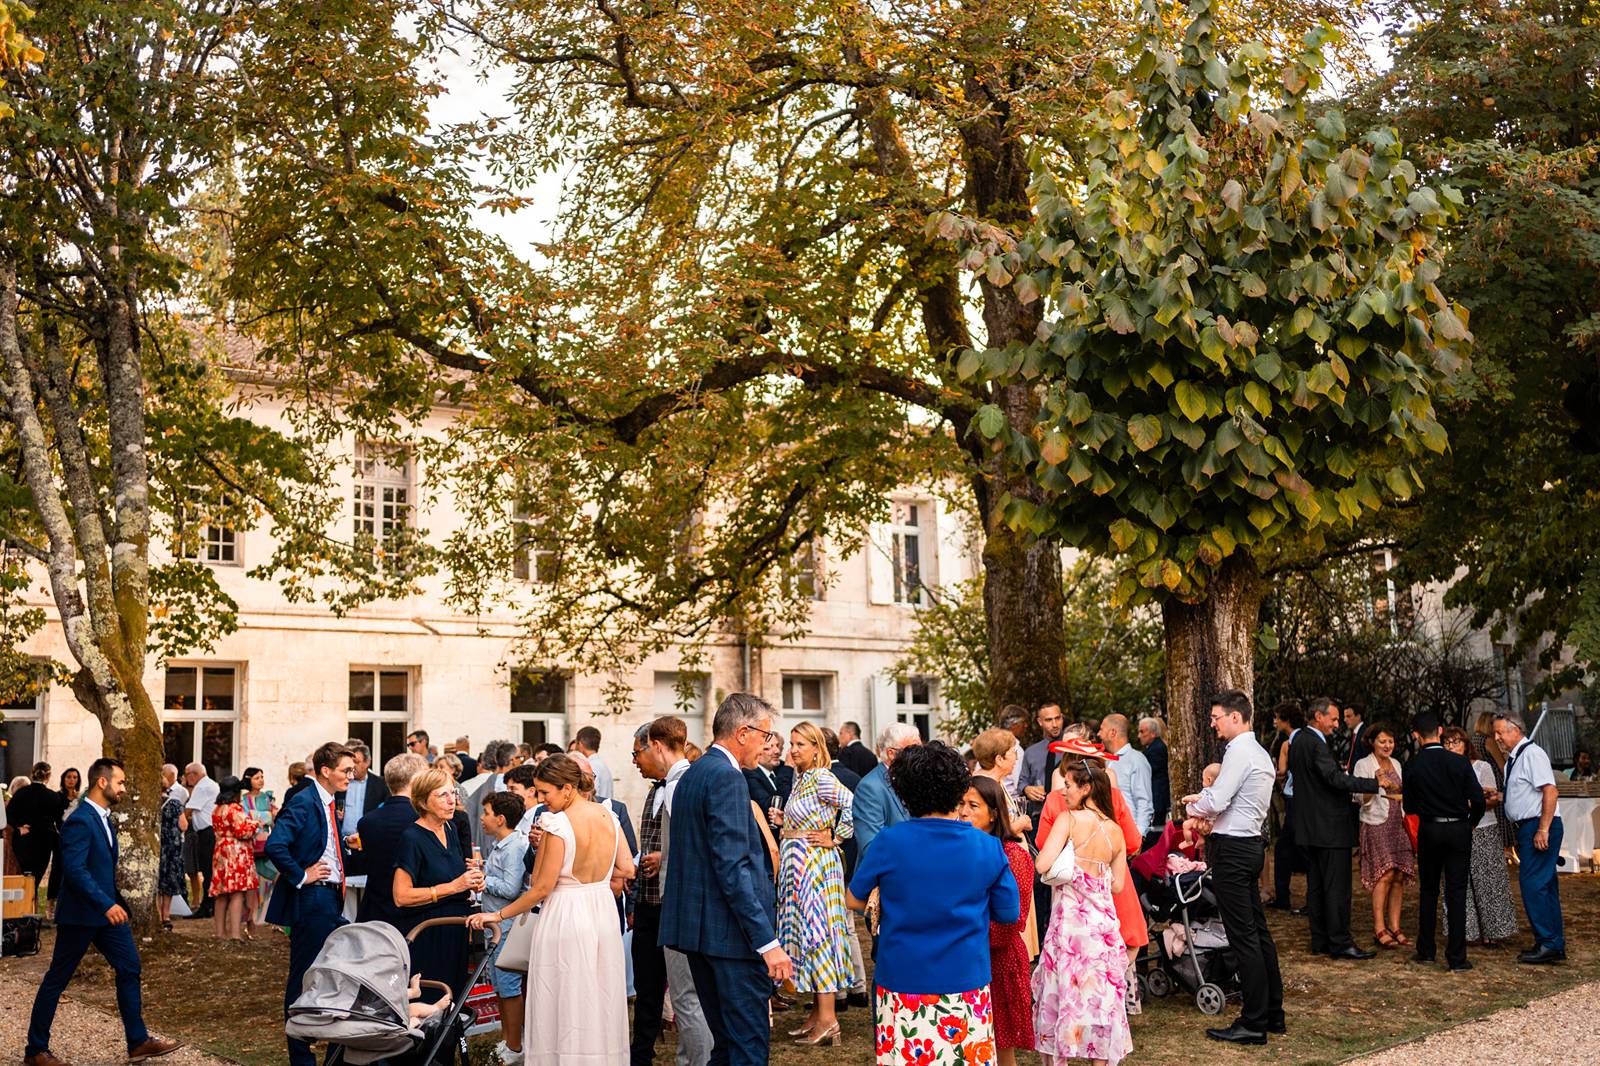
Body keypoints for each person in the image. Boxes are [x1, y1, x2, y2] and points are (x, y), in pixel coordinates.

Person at [846, 742, 1018, 1066]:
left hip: (901, 978)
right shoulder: (988, 846)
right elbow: (1008, 913)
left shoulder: (889, 842)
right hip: (966, 980)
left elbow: (854, 898)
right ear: (957, 789)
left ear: (904, 792)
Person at [470, 754, 635, 1066]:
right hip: (601, 913)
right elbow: (627, 867)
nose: (541, 799)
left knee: (562, 997)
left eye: (545, 792)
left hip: (565, 914)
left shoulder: (555, 824)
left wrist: (499, 915)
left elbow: (541, 887)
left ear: (568, 788)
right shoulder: (609, 817)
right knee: (598, 994)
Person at [659, 694, 794, 1066]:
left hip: (701, 935)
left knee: (726, 1047)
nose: (768, 744)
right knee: (747, 1047)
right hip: (730, 938)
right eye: (765, 735)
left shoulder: (693, 773)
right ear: (743, 732)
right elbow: (732, 868)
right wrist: (767, 942)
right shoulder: (726, 777)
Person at [24, 758, 183, 1066]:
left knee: (130, 967)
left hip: (108, 915)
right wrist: (105, 903)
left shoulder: (105, 819)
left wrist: (114, 903)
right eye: (120, 782)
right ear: (102, 782)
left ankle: (138, 1042)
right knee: (57, 979)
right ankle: (35, 1051)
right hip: (82, 915)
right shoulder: (81, 820)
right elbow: (75, 870)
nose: (123, 787)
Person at [1181, 690, 1284, 1045]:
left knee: (1244, 938)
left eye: (1216, 717)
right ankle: (1273, 1012)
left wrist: (1194, 807)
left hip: (1234, 851)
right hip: (1250, 845)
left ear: (1236, 717)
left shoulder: (1240, 751)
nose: (1212, 724)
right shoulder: (1258, 752)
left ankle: (1254, 1022)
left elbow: (1218, 799)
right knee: (1257, 932)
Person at [1032, 759, 1132, 1066]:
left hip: (1070, 926)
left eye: (1069, 785)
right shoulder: (1115, 831)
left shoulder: (1069, 820)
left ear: (1086, 788)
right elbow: (1117, 886)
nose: (1063, 791)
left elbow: (1041, 865)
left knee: (1059, 996)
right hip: (1101, 928)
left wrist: (1071, 867)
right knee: (1098, 1002)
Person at [265, 741, 356, 1066]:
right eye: (346, 770)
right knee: (304, 975)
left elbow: (319, 842)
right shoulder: (305, 800)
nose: (352, 774)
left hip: (330, 897)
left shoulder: (328, 801)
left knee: (334, 970)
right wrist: (302, 875)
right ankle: (301, 1056)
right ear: (326, 771)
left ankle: (335, 1047)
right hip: (313, 898)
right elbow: (276, 844)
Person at [773, 722, 855, 1045]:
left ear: (817, 748)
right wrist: (785, 821)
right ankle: (817, 1014)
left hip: (816, 867)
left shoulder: (821, 777)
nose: (793, 750)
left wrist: (836, 837)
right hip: (798, 867)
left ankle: (829, 1020)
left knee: (819, 936)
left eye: (800, 745)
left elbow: (852, 805)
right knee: (805, 935)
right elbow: (808, 815)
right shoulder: (801, 779)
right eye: (791, 743)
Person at [1287, 696, 1383, 959]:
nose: (1336, 723)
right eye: (1333, 718)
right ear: (1319, 716)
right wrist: (1372, 784)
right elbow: (1332, 778)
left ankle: (1321, 940)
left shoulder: (1299, 741)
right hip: (1329, 827)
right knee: (1337, 888)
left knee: (1317, 886)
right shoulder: (1315, 743)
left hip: (1310, 827)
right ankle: (1340, 942)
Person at [645, 716, 714, 1066]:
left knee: (686, 994)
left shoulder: (677, 785)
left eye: (644, 749)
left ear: (658, 746)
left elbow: (688, 850)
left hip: (681, 902)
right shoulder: (697, 777)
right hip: (695, 902)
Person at [957, 776, 1033, 1066]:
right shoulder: (959, 851)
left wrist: (962, 935)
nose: (963, 811)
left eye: (973, 805)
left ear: (993, 814)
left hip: (997, 960)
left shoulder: (1013, 855)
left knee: (999, 1047)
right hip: (963, 956)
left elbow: (1013, 920)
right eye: (961, 804)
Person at [393, 767, 485, 1005]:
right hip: (427, 930)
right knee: (432, 998)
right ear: (423, 801)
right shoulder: (411, 838)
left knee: (453, 996)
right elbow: (401, 896)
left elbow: (452, 874)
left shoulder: (450, 828)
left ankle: (450, 1041)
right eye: (442, 795)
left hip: (455, 928)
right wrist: (454, 886)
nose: (452, 800)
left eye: (453, 793)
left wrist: (473, 879)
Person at [1402, 712, 1485, 972]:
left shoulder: (1412, 765)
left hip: (1430, 828)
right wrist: (1470, 822)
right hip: (1459, 828)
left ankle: (1426, 950)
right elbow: (1479, 800)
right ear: (1439, 730)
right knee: (1457, 891)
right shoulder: (1459, 763)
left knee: (1428, 890)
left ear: (1416, 735)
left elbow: (1410, 805)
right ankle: (1457, 958)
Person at [1494, 712, 1566, 964]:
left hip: (1538, 825)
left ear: (1515, 730)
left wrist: (1543, 829)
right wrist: (1500, 796)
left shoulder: (1532, 754)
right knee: (1544, 886)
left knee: (1533, 885)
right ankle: (1552, 943)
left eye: (1500, 732)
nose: (1497, 737)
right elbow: (1525, 793)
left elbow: (1550, 790)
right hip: (1529, 825)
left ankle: (1548, 942)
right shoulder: (1515, 759)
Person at [1440, 727, 1518, 947]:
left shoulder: (1480, 766)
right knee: (1459, 882)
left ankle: (1493, 930)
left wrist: (1472, 802)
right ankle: (1466, 931)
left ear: (1465, 744)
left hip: (1483, 828)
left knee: (1488, 880)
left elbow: (1493, 798)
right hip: (1454, 830)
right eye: (1446, 743)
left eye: (1455, 742)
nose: (1451, 747)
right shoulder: (1441, 769)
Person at [1354, 724, 1415, 949]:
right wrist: (1375, 782)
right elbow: (1361, 799)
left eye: (1390, 741)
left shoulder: (1397, 764)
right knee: (1385, 874)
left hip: (1398, 823)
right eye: (1382, 741)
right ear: (1372, 742)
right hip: (1376, 823)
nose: (1387, 745)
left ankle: (1395, 926)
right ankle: (1379, 928)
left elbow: (1402, 793)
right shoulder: (1364, 764)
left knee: (1399, 874)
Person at [480, 790, 529, 1066]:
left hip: (508, 927)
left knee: (509, 987)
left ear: (500, 819)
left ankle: (515, 1045)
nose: (482, 818)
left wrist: (483, 881)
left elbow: (511, 888)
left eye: (486, 813)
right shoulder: (501, 845)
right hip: (495, 926)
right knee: (499, 986)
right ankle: (508, 1039)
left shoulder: (514, 847)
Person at [356, 752, 430, 926]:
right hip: (416, 912)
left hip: (375, 911)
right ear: (416, 781)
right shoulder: (425, 820)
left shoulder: (367, 822)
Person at [339, 741, 391, 920]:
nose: (353, 767)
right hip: (344, 844)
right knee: (345, 892)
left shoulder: (380, 785)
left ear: (367, 762)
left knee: (367, 891)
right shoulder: (342, 783)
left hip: (367, 846)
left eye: (357, 762)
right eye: (351, 762)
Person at [854, 723, 920, 859]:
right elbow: (871, 847)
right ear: (891, 754)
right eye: (913, 750)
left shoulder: (917, 778)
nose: (921, 756)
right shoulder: (870, 787)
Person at [209, 776, 261, 941]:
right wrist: (255, 824)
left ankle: (219, 933)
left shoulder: (217, 809)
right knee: (237, 893)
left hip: (220, 851)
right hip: (235, 853)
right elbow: (242, 832)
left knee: (222, 893)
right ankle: (235, 934)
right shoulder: (235, 809)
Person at [1268, 701, 1306, 911]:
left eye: (1276, 718)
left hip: (1296, 801)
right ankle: (1284, 897)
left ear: (1285, 719)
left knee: (1285, 849)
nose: (1274, 722)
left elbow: (1282, 772)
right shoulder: (1305, 738)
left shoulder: (1289, 744)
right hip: (1299, 801)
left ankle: (1284, 897)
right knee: (1291, 848)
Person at [970, 727, 1033, 838]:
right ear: (999, 759)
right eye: (1013, 752)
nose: (1016, 759)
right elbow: (991, 835)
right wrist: (1021, 823)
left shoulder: (996, 780)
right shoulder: (981, 787)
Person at [1099, 714, 1153, 838]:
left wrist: (1139, 835)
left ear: (1112, 733)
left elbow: (1144, 801)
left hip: (1128, 834)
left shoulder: (1136, 760)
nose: (1098, 734)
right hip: (1109, 834)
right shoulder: (1107, 760)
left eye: (1101, 729)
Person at [6, 761, 59, 885]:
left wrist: (18, 827)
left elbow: (9, 814)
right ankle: (31, 901)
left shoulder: (20, 793)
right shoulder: (53, 796)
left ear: (32, 774)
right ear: (48, 776)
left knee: (25, 876)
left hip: (23, 839)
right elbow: (57, 819)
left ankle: (26, 902)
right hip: (44, 841)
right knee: (36, 877)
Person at [183, 762, 221, 919]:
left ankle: (207, 906)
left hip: (207, 833)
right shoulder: (211, 784)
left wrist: (179, 821)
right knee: (208, 870)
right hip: (209, 832)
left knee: (207, 870)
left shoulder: (201, 786)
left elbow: (189, 810)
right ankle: (210, 904)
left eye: (186, 775)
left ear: (194, 774)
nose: (186, 779)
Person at [157, 770, 187, 932]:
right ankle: (165, 915)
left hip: (156, 847)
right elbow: (184, 825)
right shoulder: (174, 803)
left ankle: (155, 913)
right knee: (168, 880)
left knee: (156, 880)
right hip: (171, 848)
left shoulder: (150, 804)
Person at [744, 730, 795, 823]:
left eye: (777, 745)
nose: (777, 751)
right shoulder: (749, 774)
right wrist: (788, 768)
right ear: (756, 751)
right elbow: (769, 807)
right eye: (767, 748)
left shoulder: (777, 770)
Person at [1137, 718, 1169, 845]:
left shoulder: (1156, 749)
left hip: (1157, 799)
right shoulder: (1154, 747)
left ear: (1153, 733)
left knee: (1155, 834)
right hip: (1157, 798)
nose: (1139, 736)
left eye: (1142, 732)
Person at [570, 726, 614, 801]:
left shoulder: (589, 766)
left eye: (576, 744)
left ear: (580, 744)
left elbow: (589, 795)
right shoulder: (601, 764)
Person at [998, 706, 1031, 793]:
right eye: (1023, 722)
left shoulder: (993, 744)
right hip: (1011, 801)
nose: (1026, 726)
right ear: (1013, 724)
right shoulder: (1015, 749)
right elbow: (1019, 783)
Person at [1343, 704, 1371, 775]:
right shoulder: (1356, 733)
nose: (1345, 720)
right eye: (1345, 717)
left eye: (1348, 716)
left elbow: (1365, 759)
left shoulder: (1365, 734)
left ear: (1358, 717)